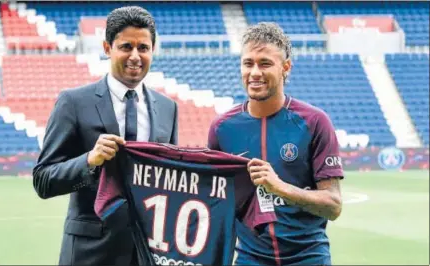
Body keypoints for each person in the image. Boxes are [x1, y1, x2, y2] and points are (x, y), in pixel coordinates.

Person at [32, 6, 178, 266]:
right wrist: (90, 160)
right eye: (126, 46)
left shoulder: (168, 108)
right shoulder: (74, 102)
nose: (135, 56)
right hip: (90, 252)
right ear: (107, 48)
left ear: (153, 50)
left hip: (148, 253)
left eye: (143, 48)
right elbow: (43, 180)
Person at [207, 22, 343, 265]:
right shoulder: (222, 129)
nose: (255, 72)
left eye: (265, 63)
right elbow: (215, 202)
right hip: (250, 258)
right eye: (248, 63)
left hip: (308, 257)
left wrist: (279, 187)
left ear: (286, 67)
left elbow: (333, 205)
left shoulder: (314, 122)